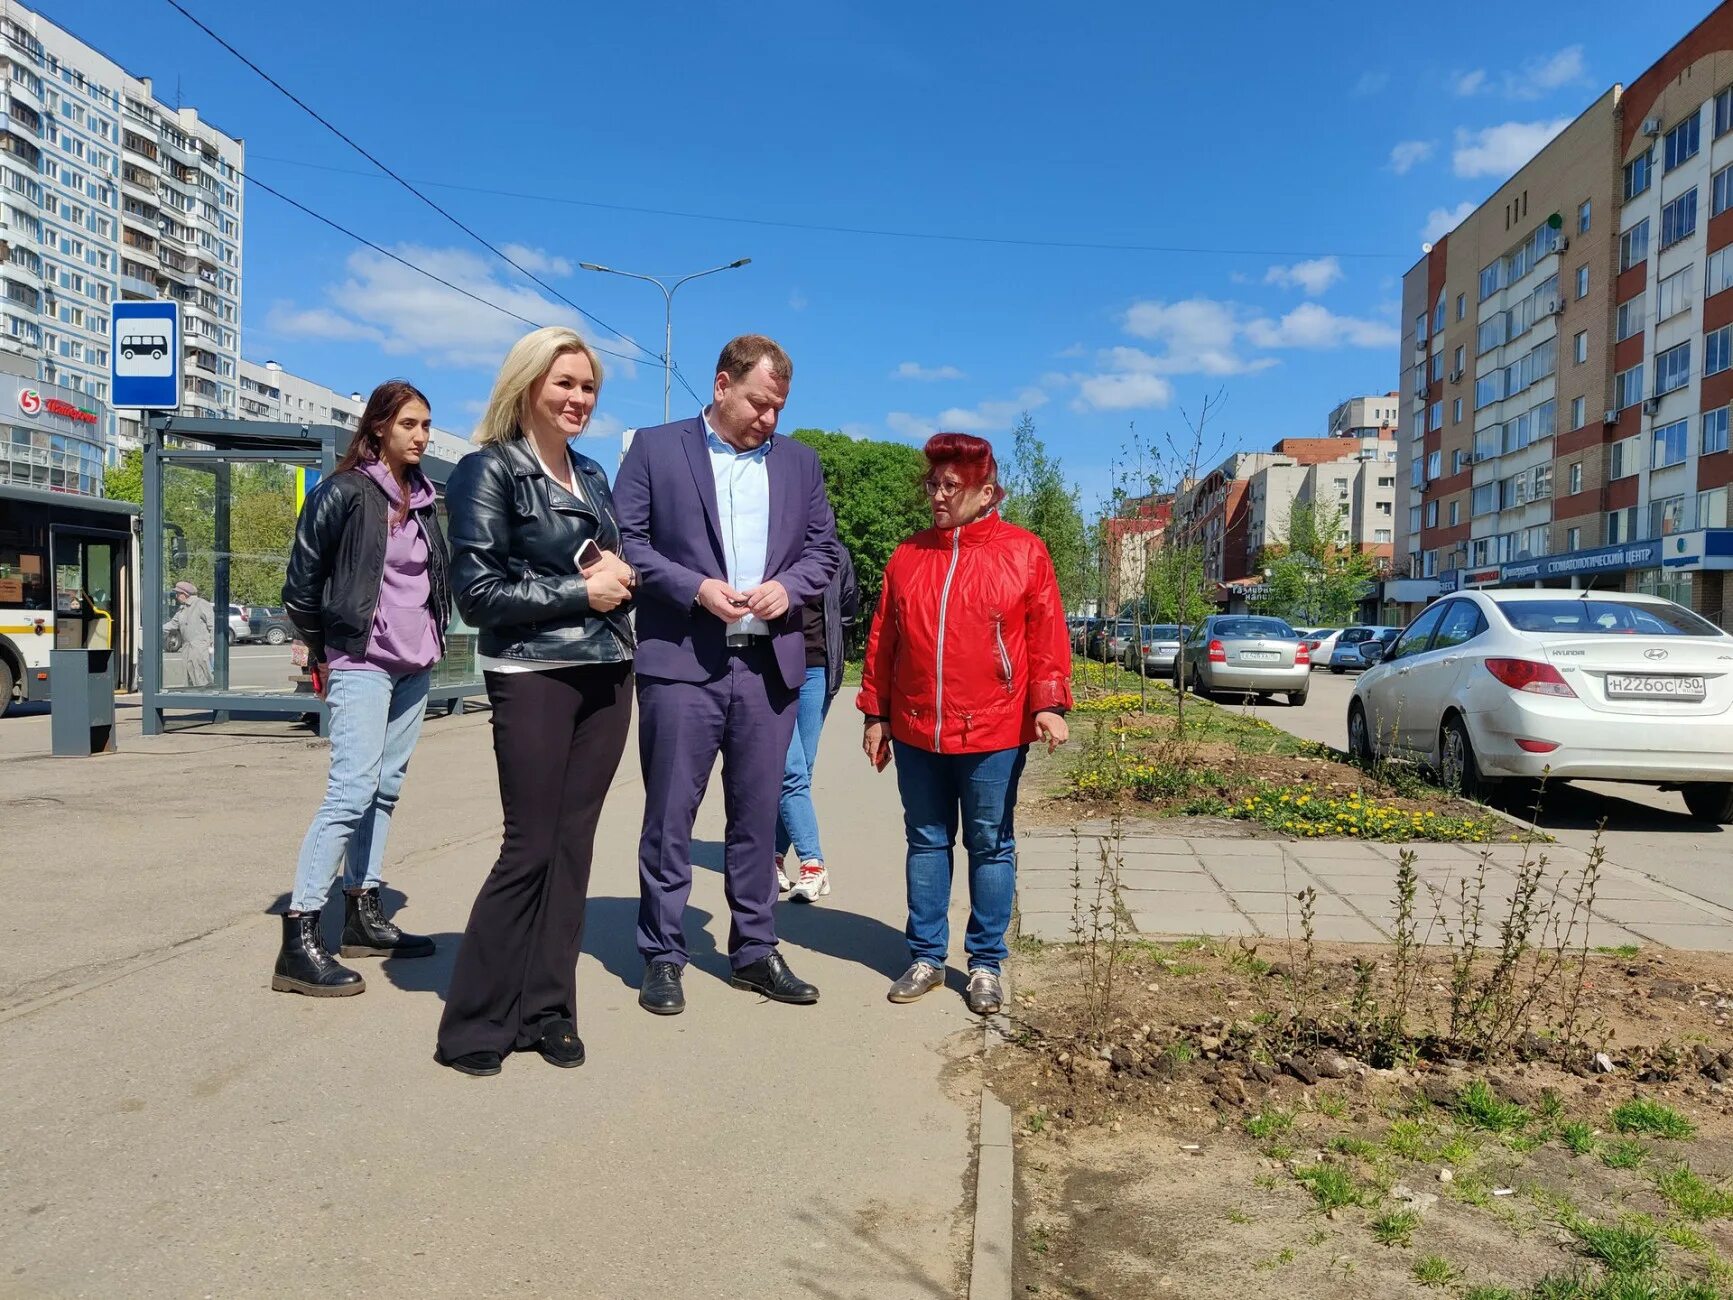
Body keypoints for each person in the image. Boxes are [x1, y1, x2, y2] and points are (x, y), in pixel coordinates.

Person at [614, 334, 841, 1015]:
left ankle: (753, 950)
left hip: (768, 665)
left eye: (778, 407)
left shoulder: (800, 464)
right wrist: (693, 588)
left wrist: (789, 587)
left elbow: (823, 548)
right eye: (758, 402)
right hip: (683, 663)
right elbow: (629, 540)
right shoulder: (655, 450)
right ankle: (661, 953)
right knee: (670, 816)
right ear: (720, 385)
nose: (769, 419)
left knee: (755, 819)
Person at [435, 326, 637, 1078]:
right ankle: (474, 1023)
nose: (578, 398)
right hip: (533, 674)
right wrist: (581, 589)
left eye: (587, 387)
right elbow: (478, 593)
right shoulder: (487, 471)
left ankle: (548, 1011)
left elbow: (598, 559)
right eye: (565, 384)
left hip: (609, 672)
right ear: (526, 386)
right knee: (528, 846)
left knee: (572, 849)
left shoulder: (590, 473)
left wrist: (617, 575)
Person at [857, 433, 1072, 1015]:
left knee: (990, 844)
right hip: (917, 726)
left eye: (951, 486)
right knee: (925, 841)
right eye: (932, 484)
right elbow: (884, 641)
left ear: (986, 492)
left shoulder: (1024, 551)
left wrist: (1047, 703)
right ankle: (926, 955)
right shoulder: (909, 556)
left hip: (994, 730)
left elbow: (1047, 634)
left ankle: (983, 964)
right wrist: (875, 712)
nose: (937, 495)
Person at [275, 380, 450, 997]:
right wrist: (333, 648)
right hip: (362, 663)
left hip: (414, 665)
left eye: (427, 425)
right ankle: (298, 937)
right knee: (350, 791)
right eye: (410, 424)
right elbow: (300, 587)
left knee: (385, 789)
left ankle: (362, 911)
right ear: (379, 427)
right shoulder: (344, 492)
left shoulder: (427, 501)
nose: (422, 436)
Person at [774, 549, 858, 902]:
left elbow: (848, 603)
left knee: (800, 770)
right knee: (788, 769)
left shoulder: (834, 552)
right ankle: (813, 864)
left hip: (817, 668)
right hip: (774, 667)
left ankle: (774, 858)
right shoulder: (771, 544)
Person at [165, 580, 214, 688]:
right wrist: (154, 629)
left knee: (202, 676)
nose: (176, 596)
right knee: (190, 676)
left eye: (178, 594)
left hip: (200, 647)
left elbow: (213, 625)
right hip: (187, 648)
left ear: (185, 594)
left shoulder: (201, 604)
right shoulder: (182, 609)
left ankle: (207, 698)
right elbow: (173, 624)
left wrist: (212, 643)